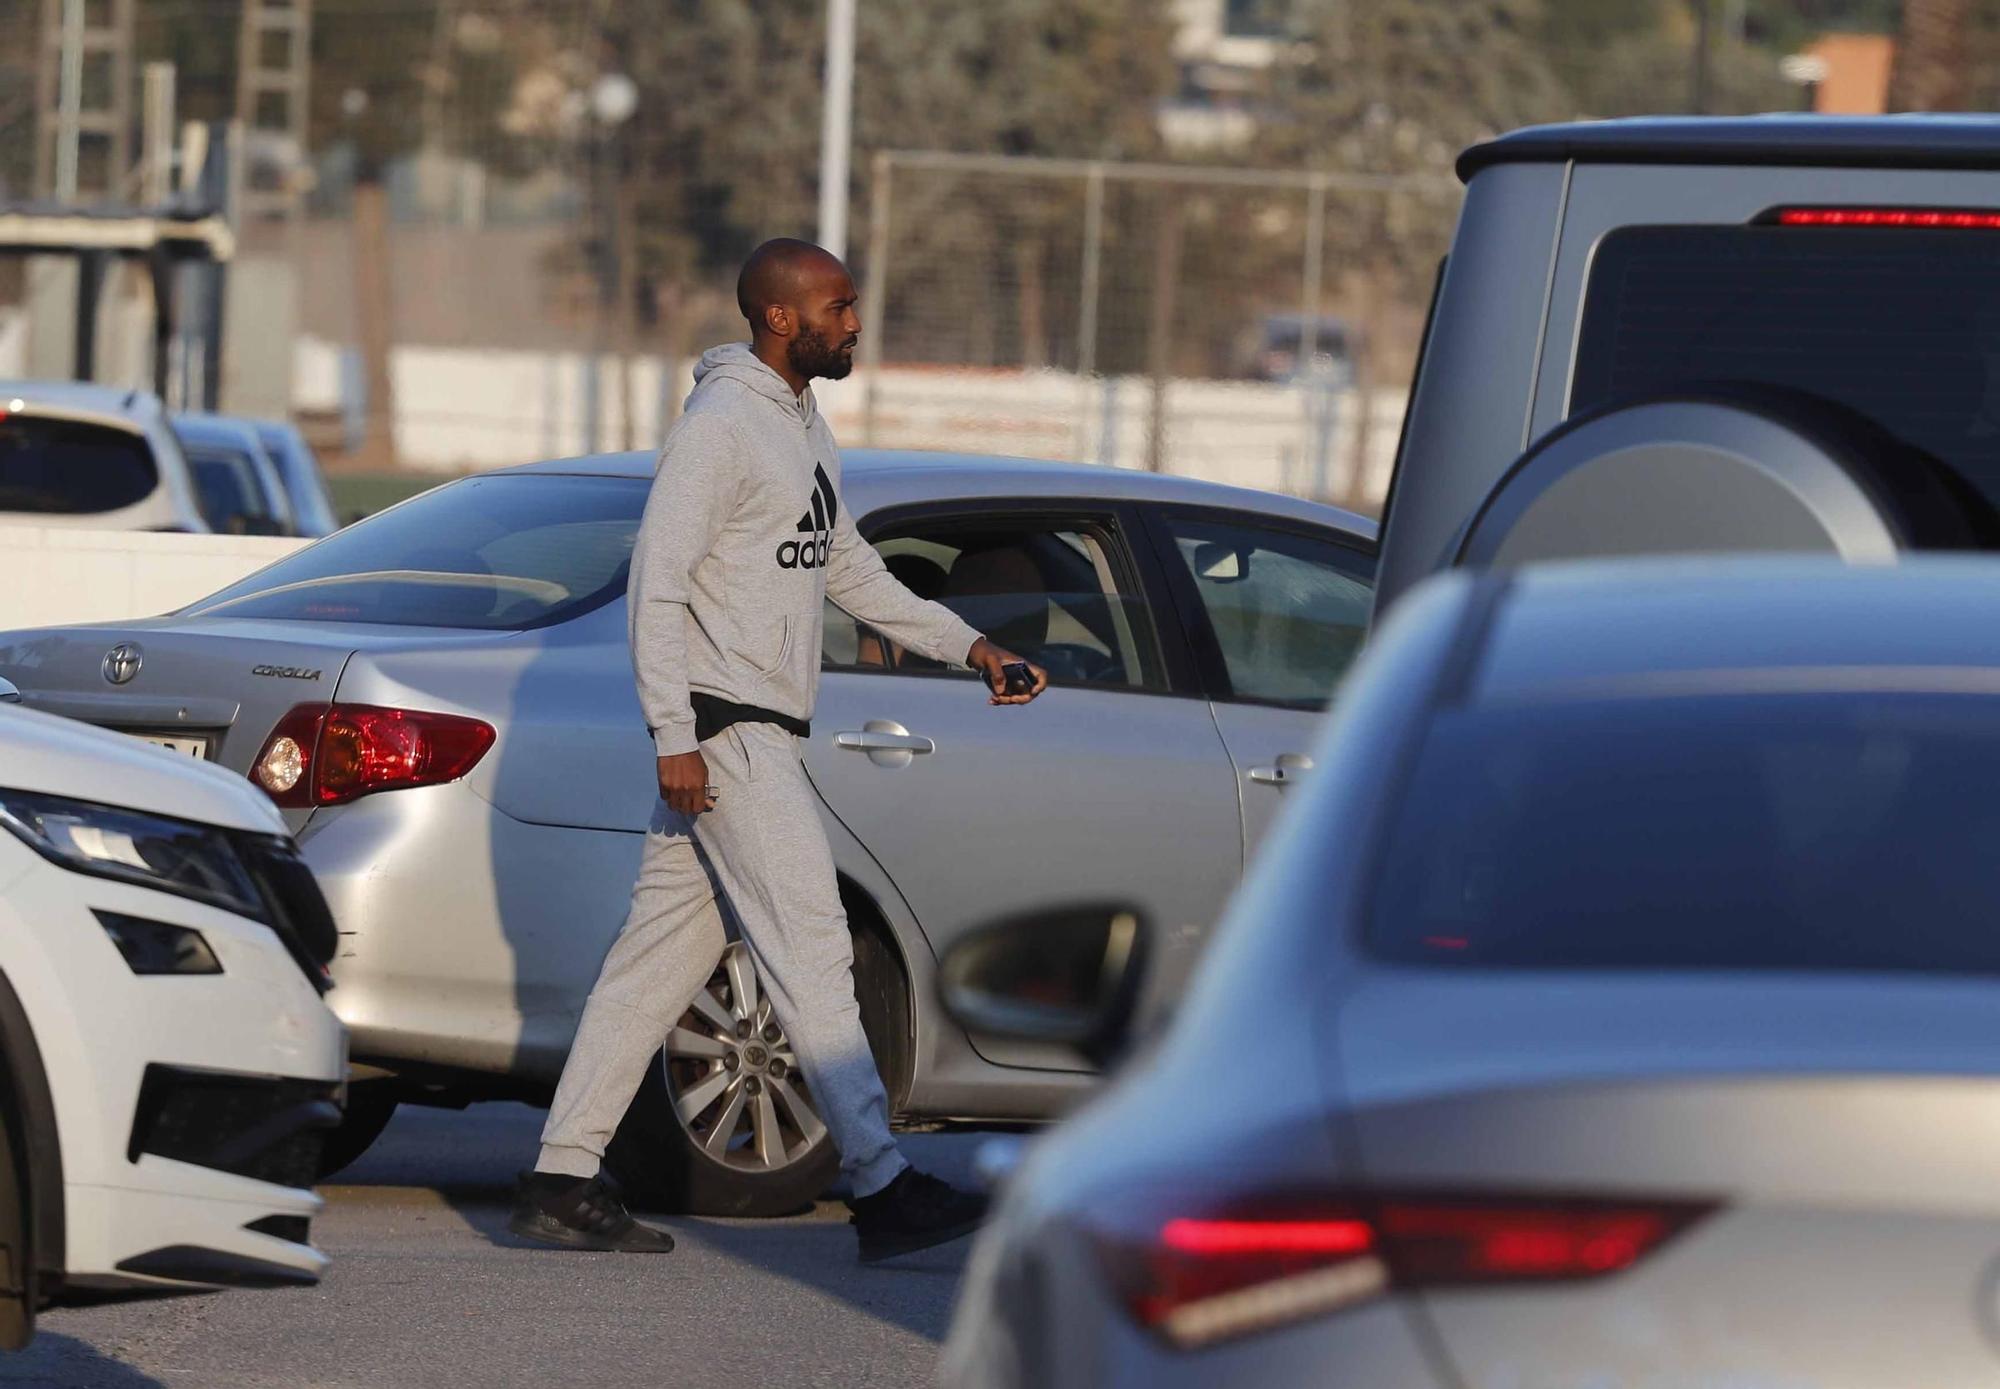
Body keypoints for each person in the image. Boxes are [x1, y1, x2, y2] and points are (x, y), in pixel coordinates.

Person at [511, 238, 1048, 1261]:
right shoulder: (719, 430)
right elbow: (657, 586)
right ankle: (880, 1184)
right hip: (726, 735)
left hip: (743, 735)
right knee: (812, 946)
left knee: (648, 971)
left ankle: (558, 1179)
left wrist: (967, 645)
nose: (854, 323)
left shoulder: (800, 426)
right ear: (779, 318)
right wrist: (674, 735)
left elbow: (846, 567)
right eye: (838, 308)